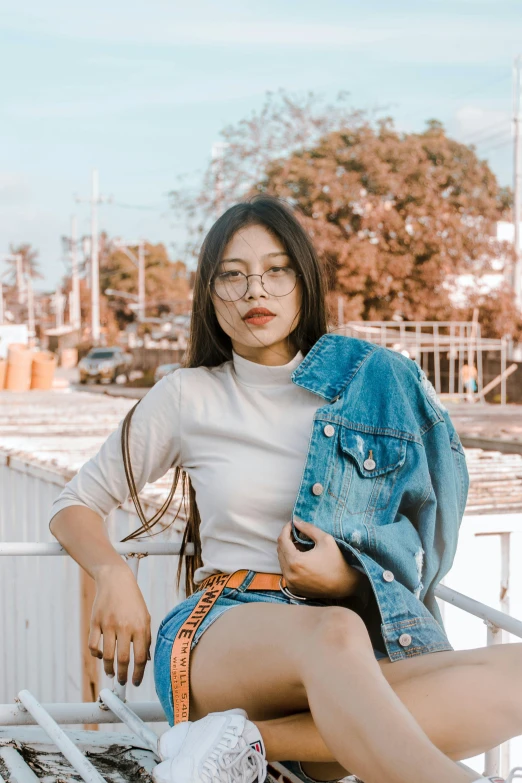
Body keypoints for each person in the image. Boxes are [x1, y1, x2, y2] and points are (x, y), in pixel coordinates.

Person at [49, 196, 521, 783]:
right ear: (209, 291)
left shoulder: (365, 389)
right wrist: (113, 574)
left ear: (304, 282)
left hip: (342, 654)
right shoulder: (187, 395)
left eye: (277, 270)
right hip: (225, 628)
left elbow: (418, 537)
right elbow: (74, 504)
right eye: (232, 275)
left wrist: (346, 580)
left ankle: (239, 743)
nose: (256, 292)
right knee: (336, 631)